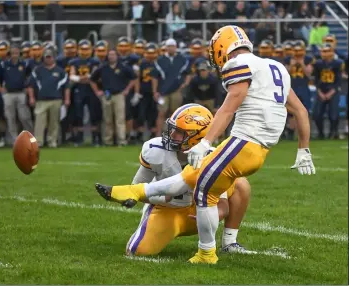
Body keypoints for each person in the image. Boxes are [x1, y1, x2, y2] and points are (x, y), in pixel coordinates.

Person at [95, 25, 316, 264]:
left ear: (223, 47)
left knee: (202, 190)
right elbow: (301, 111)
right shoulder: (276, 67)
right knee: (194, 177)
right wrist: (303, 149)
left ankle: (206, 254)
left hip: (243, 142)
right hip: (261, 149)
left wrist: (206, 142)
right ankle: (132, 192)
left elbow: (229, 107)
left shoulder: (238, 64)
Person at [121, 104, 251, 256]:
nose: (172, 134)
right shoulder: (156, 149)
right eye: (173, 129)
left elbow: (223, 206)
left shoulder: (213, 157)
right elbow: (135, 188)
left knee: (241, 183)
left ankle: (230, 242)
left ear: (197, 137)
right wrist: (161, 196)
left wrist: (212, 215)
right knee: (138, 251)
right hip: (167, 210)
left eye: (179, 132)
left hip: (199, 211)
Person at [90, 49, 137, 146]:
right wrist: (97, 91)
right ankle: (108, 141)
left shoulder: (123, 67)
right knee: (107, 119)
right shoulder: (103, 67)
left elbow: (134, 78)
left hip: (119, 95)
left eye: (113, 54)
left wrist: (127, 89)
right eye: (109, 55)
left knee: (120, 119)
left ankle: (121, 140)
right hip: (107, 95)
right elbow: (92, 79)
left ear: (117, 56)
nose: (111, 56)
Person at [27, 47, 70, 147]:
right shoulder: (37, 70)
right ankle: (38, 142)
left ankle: (52, 141)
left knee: (54, 122)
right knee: (39, 122)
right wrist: (31, 97)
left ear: (54, 58)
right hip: (41, 100)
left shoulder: (60, 71)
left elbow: (66, 87)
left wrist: (67, 99)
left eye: (50, 57)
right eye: (46, 57)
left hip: (56, 99)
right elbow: (30, 85)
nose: (48, 59)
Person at [0, 44, 33, 144]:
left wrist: (27, 87)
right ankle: (14, 140)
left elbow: (30, 76)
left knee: (24, 117)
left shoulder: (24, 64)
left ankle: (30, 137)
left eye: (16, 53)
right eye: (13, 53)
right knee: (10, 117)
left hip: (21, 93)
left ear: (19, 53)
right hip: (8, 94)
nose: (15, 55)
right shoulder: (4, 64)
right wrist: (0, 89)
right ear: (10, 54)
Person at [151, 38, 191, 136]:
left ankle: (176, 135)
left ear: (175, 47)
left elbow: (189, 73)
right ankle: (158, 135)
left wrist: (185, 83)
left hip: (176, 91)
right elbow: (155, 77)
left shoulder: (182, 59)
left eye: (173, 46)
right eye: (169, 46)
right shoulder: (160, 60)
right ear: (166, 48)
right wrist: (155, 91)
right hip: (162, 91)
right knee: (161, 113)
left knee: (176, 114)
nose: (171, 48)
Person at [69, 39, 101, 146]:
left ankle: (96, 138)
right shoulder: (74, 62)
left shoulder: (94, 61)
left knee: (94, 114)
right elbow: (72, 77)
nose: (84, 51)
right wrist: (85, 78)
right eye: (82, 49)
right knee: (79, 115)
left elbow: (94, 76)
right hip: (79, 90)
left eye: (86, 49)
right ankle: (79, 138)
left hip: (92, 90)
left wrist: (80, 78)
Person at [313, 43, 344, 139]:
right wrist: (320, 92)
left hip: (333, 90)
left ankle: (333, 132)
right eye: (323, 51)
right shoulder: (318, 63)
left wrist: (331, 92)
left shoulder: (338, 63)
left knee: (333, 114)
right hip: (321, 90)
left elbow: (339, 80)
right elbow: (316, 79)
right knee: (317, 114)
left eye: (326, 51)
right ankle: (321, 133)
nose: (324, 53)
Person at [135, 43, 158, 141]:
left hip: (155, 93)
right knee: (141, 114)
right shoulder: (141, 63)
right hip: (143, 92)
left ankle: (153, 134)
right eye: (149, 53)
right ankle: (140, 134)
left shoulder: (158, 63)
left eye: (152, 53)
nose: (151, 55)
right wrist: (137, 92)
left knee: (153, 114)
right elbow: (137, 78)